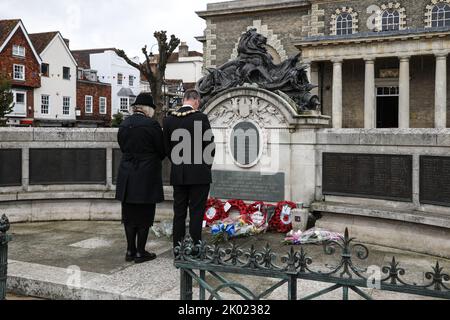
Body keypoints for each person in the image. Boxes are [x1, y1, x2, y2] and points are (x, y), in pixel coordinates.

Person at [115, 92, 165, 264]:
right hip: (146, 175)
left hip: (127, 174)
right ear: (148, 109)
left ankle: (130, 250)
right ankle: (140, 252)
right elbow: (161, 150)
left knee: (128, 215)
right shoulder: (152, 125)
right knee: (144, 215)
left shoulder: (124, 124)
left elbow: (122, 146)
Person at [163, 89, 215, 249]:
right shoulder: (201, 118)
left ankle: (178, 248)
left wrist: (178, 163)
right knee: (196, 212)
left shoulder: (169, 120)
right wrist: (205, 167)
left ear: (184, 100)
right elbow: (210, 147)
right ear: (196, 101)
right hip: (199, 174)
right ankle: (195, 247)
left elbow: (167, 149)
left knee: (179, 212)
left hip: (179, 173)